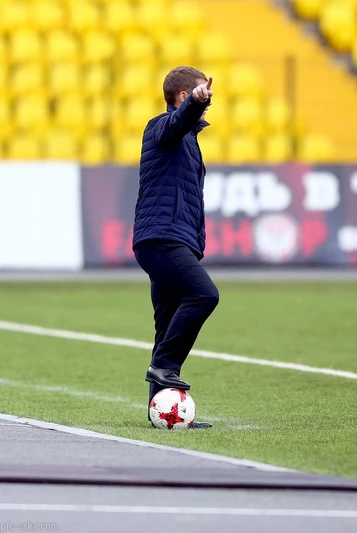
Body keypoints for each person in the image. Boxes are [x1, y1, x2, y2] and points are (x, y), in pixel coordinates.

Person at [132, 66, 220, 429]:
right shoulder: (161, 126)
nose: (209, 101)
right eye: (202, 94)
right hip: (161, 238)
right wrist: (195, 103)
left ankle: (162, 410)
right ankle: (164, 365)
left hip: (173, 238)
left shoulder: (189, 140)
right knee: (204, 295)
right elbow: (176, 123)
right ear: (183, 97)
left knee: (166, 323)